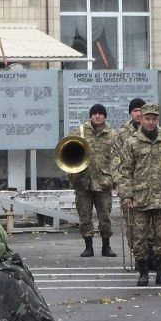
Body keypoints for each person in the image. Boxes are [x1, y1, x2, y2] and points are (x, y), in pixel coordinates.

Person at [117, 104, 161, 286]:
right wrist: (126, 196)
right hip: (139, 199)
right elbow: (125, 171)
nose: (150, 122)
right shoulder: (131, 142)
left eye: (154, 119)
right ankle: (143, 273)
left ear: (158, 119)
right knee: (139, 239)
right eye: (147, 118)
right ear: (142, 119)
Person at [68, 103, 117, 258]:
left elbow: (118, 158)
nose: (97, 116)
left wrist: (115, 178)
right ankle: (88, 246)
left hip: (103, 182)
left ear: (105, 116)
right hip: (83, 182)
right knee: (84, 216)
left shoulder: (113, 135)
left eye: (100, 113)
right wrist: (72, 176)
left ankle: (106, 246)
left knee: (105, 216)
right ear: (90, 115)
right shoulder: (80, 132)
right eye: (94, 113)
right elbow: (69, 153)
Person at [116, 98, 158, 270]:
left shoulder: (155, 131)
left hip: (151, 188)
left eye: (141, 111)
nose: (138, 114)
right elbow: (116, 160)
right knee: (134, 227)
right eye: (135, 111)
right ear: (131, 113)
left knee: (154, 228)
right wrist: (120, 184)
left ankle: (153, 258)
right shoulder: (123, 133)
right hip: (131, 188)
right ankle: (140, 258)